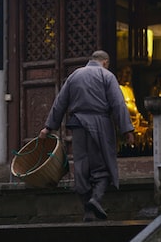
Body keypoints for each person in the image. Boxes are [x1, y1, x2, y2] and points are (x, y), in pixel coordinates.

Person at [38, 50, 135, 222]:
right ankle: (95, 200)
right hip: (101, 124)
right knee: (102, 165)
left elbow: (60, 102)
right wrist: (127, 130)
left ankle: (88, 212)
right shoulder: (107, 76)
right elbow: (118, 103)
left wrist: (48, 128)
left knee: (82, 167)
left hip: (78, 126)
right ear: (105, 62)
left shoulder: (74, 75)